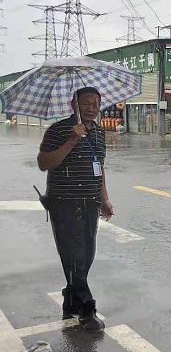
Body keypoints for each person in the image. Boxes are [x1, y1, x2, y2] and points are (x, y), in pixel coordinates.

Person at [37, 87, 114, 332]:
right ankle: (86, 307)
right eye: (86, 103)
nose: (91, 108)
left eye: (96, 104)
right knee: (73, 257)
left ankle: (70, 298)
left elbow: (99, 167)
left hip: (90, 202)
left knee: (87, 255)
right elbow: (43, 163)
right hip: (64, 202)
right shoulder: (59, 130)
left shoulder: (99, 132)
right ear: (74, 104)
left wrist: (105, 199)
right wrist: (71, 141)